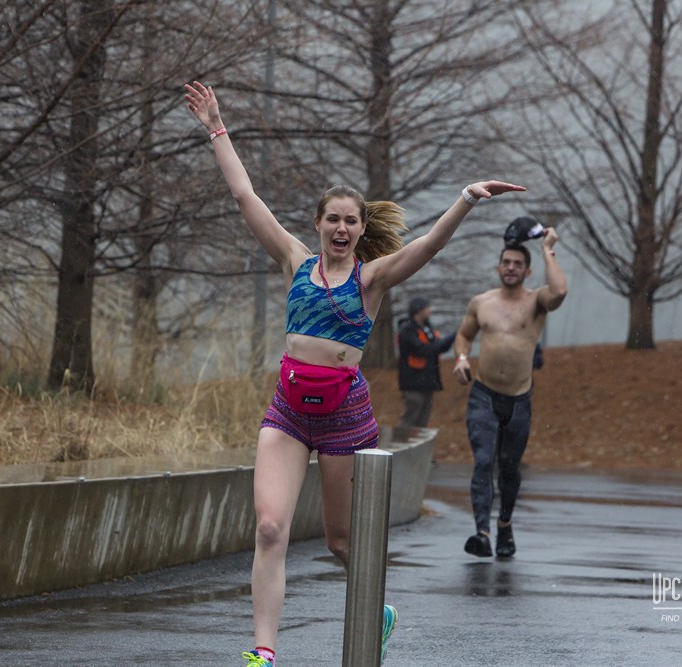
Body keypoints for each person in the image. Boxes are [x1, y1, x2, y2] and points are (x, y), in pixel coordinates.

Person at [184, 80, 526, 666]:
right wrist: (217, 128)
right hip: (288, 414)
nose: (341, 229)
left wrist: (466, 199)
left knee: (343, 543)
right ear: (317, 224)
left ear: (361, 230)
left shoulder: (370, 281)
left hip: (345, 420)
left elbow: (427, 247)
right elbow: (245, 197)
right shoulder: (294, 261)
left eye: (351, 222)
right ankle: (264, 652)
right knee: (270, 529)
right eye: (332, 220)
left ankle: (379, 611)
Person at [452, 227, 567, 559]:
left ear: (527, 271)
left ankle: (504, 525)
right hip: (483, 395)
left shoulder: (536, 302)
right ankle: (481, 533)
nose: (511, 267)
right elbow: (464, 335)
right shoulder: (482, 303)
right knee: (484, 461)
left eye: (518, 263)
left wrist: (547, 249)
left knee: (510, 468)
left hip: (518, 399)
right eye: (506, 262)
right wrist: (461, 357)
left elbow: (559, 291)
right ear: (498, 266)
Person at [396, 297, 454, 429]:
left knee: (422, 422)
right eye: (427, 307)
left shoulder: (427, 327)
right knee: (410, 420)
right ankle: (400, 446)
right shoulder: (407, 330)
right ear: (418, 310)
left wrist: (454, 338)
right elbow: (423, 350)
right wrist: (451, 338)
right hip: (413, 383)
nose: (430, 310)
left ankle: (417, 448)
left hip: (427, 382)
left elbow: (439, 347)